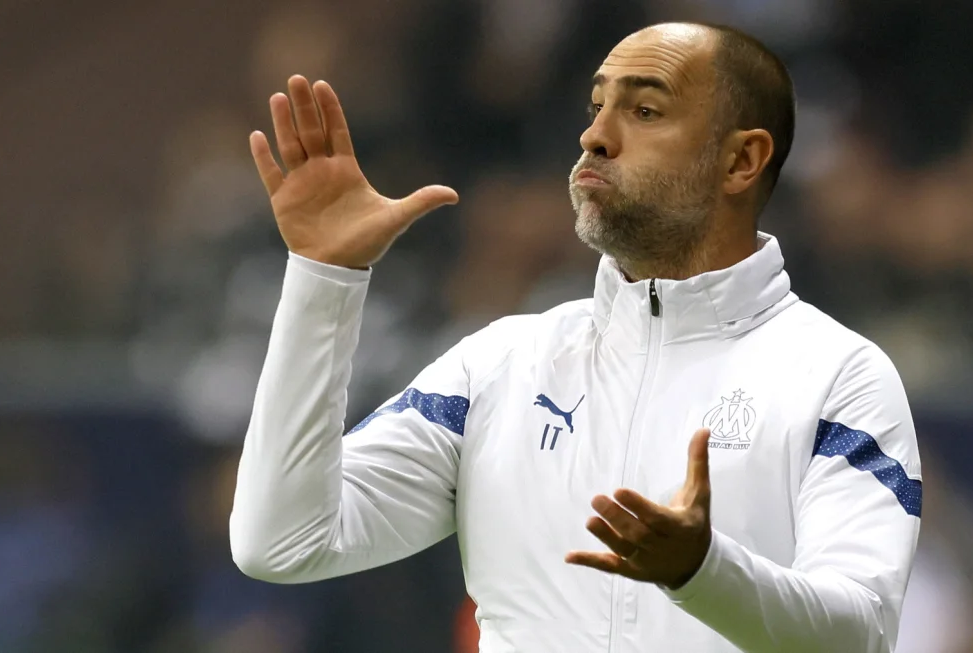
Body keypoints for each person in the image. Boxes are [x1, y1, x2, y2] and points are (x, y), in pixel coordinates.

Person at [229, 22, 922, 652]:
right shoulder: (499, 364)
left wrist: (701, 569)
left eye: (644, 110)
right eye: (596, 106)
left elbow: (857, 631)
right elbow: (284, 541)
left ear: (741, 161)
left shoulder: (837, 375)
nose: (595, 135)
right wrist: (324, 277)